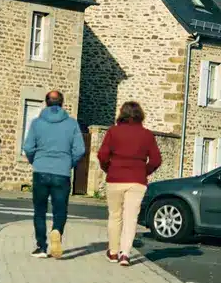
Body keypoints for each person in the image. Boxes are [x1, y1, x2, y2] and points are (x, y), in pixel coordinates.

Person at [21, 90, 86, 259]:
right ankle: (56, 230)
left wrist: (35, 161)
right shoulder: (72, 124)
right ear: (62, 103)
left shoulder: (37, 123)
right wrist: (68, 163)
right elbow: (80, 149)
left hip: (41, 170)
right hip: (62, 172)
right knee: (60, 209)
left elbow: (28, 148)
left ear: (46, 103)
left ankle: (41, 247)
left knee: (40, 210)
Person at [97, 100, 162, 267]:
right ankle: (125, 254)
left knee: (115, 216)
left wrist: (108, 169)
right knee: (131, 218)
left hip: (115, 178)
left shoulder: (113, 132)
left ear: (122, 114)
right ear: (140, 115)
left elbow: (102, 155)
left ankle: (112, 252)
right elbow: (156, 160)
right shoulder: (147, 135)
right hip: (137, 181)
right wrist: (143, 171)